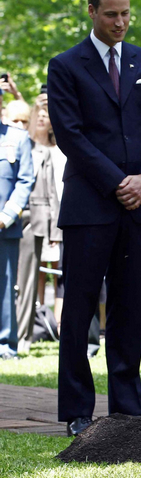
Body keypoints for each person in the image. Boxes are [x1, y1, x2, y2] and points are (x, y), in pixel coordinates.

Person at [47, 0, 141, 436]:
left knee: (129, 306)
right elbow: (70, 135)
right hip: (88, 205)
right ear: (92, 12)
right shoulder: (65, 65)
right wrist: (118, 181)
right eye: (111, 14)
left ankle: (127, 409)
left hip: (137, 206)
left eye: (125, 14)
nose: (120, 22)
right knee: (78, 309)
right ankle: (78, 410)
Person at [15, 98, 62, 354]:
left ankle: (22, 337)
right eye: (15, 121)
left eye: (23, 120)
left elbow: (53, 193)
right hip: (14, 216)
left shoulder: (43, 151)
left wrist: (55, 228)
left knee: (29, 282)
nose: (19, 125)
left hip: (33, 220)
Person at [0, 118, 34, 360]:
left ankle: (5, 344)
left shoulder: (17, 137)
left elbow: (25, 180)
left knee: (5, 287)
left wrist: (7, 216)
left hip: (4, 225)